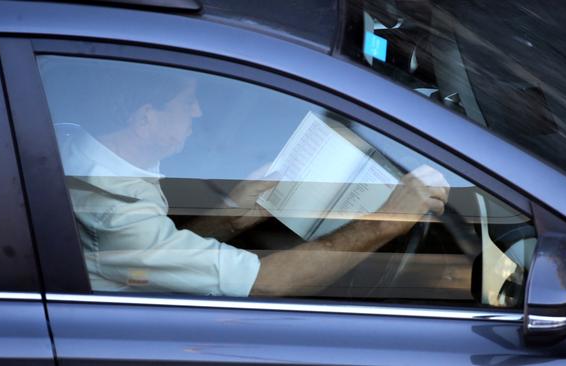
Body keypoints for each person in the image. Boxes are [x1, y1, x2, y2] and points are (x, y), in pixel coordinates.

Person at [53, 66, 450, 298]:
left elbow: (158, 252)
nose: (197, 111)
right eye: (187, 102)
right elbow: (268, 282)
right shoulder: (114, 207)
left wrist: (229, 218)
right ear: (145, 119)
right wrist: (388, 220)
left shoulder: (75, 146)